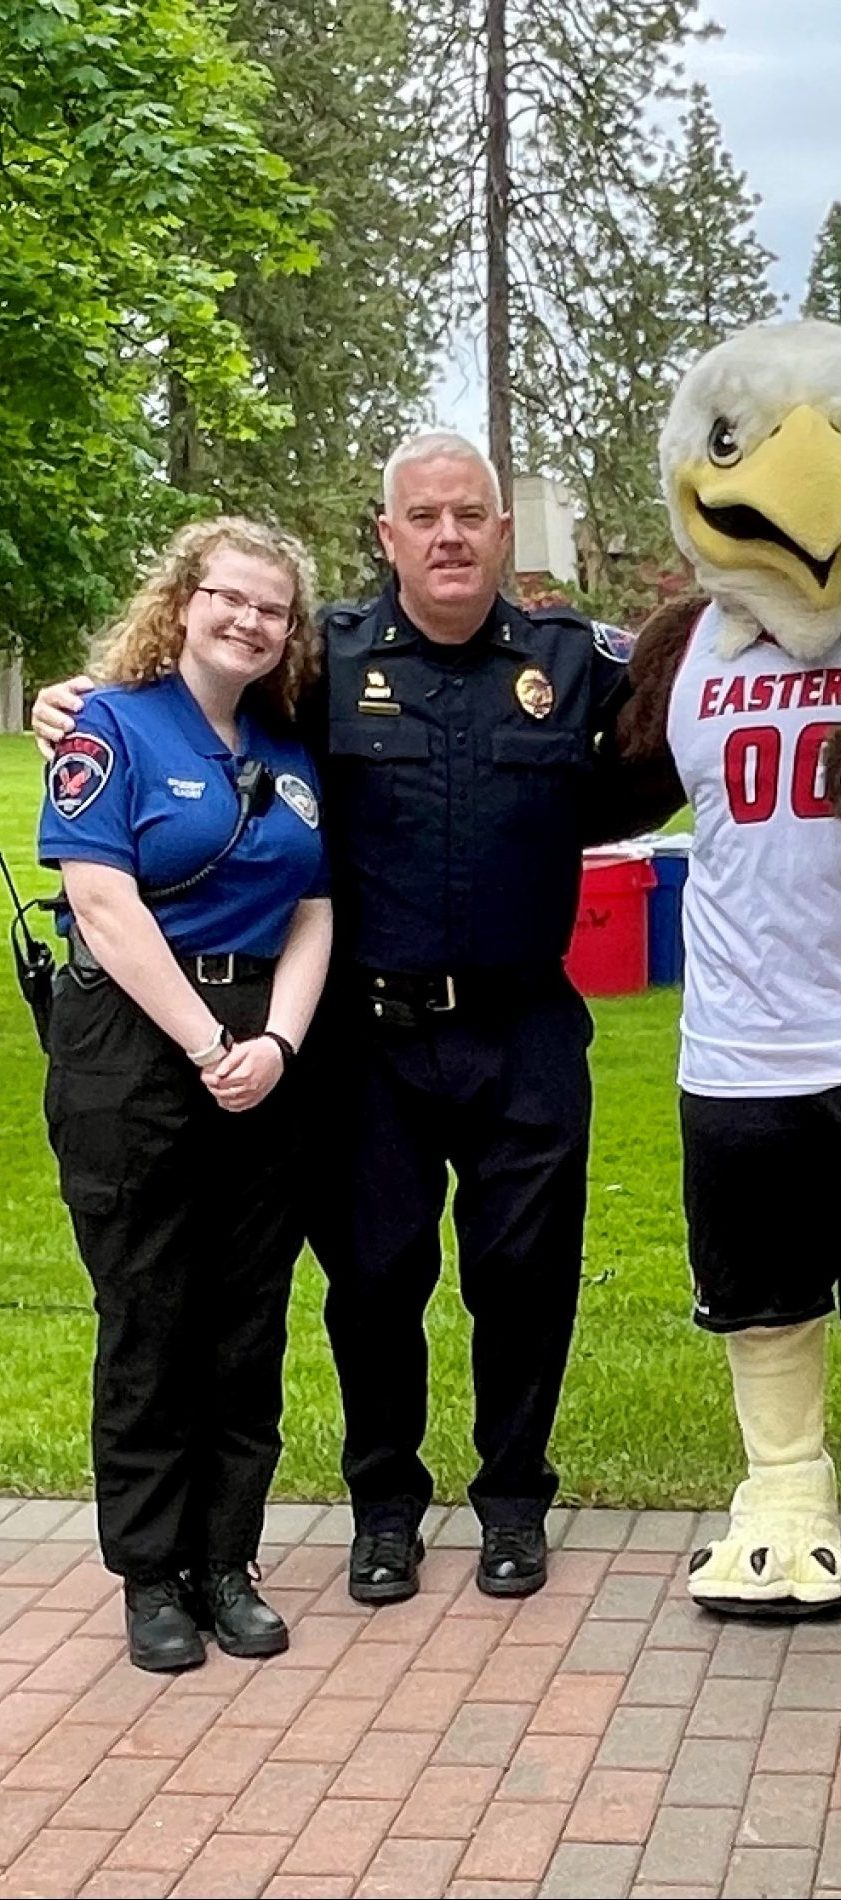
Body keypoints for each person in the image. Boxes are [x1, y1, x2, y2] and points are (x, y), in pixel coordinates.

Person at [33, 430, 640, 1607]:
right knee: (372, 1281)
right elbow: (192, 700)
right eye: (424, 517)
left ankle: (514, 1502)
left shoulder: (576, 662)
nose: (449, 535)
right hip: (368, 1041)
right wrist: (81, 699)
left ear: (503, 531)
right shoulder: (324, 664)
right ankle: (385, 1509)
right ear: (387, 535)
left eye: (471, 514)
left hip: (522, 1029)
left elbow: (673, 728)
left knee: (524, 1278)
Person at [38, 518, 332, 1672]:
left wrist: (279, 1045)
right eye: (231, 597)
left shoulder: (290, 749)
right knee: (151, 1313)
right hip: (135, 1043)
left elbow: (315, 905)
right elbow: (101, 903)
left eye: (274, 609)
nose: (250, 621)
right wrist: (213, 1043)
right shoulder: (110, 724)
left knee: (246, 1317)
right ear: (185, 598)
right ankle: (151, 1573)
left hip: (262, 1042)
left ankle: (227, 1558)